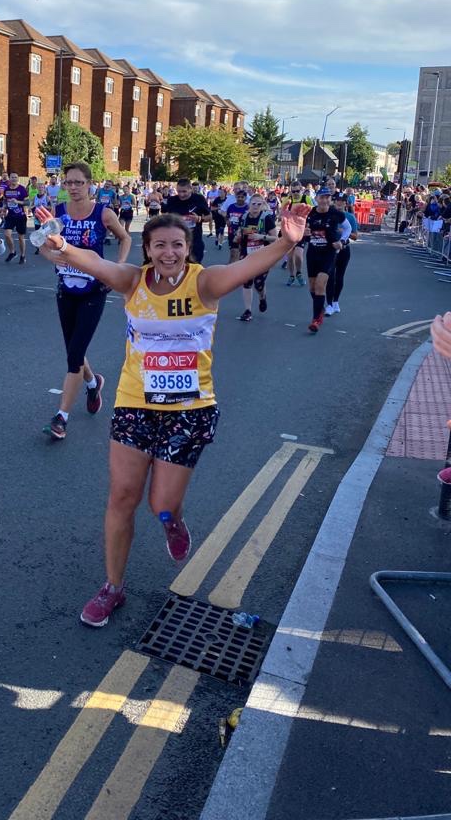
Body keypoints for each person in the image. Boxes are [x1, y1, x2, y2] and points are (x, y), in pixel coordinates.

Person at [37, 204, 310, 626]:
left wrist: (287, 241)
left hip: (190, 409)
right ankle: (112, 587)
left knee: (161, 503)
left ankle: (173, 521)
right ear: (147, 248)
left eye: (177, 245)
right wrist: (65, 247)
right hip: (134, 403)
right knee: (122, 497)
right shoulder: (134, 282)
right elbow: (96, 261)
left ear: (189, 248)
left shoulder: (206, 283)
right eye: (160, 244)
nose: (169, 252)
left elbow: (250, 263)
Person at [37, 162, 132, 440]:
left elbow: (125, 239)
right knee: (72, 350)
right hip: (65, 289)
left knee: (75, 354)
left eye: (79, 182)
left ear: (90, 184)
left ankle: (61, 418)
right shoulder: (59, 212)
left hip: (94, 291)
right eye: (69, 183)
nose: (74, 188)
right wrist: (48, 255)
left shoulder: (103, 213)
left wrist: (116, 270)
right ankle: (92, 383)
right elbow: (43, 242)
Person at [303, 188, 347, 333]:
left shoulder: (336, 214)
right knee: (312, 287)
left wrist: (341, 242)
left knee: (321, 284)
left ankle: (316, 319)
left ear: (330, 199)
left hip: (328, 253)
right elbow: (301, 229)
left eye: (327, 198)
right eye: (322, 197)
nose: (324, 200)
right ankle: (319, 307)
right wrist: (304, 232)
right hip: (313, 253)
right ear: (317, 199)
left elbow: (348, 228)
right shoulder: (310, 213)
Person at [236, 195, 279, 321]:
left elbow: (276, 238)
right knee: (247, 281)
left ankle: (262, 297)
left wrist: (261, 237)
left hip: (263, 254)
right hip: (247, 253)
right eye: (253, 204)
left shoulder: (266, 219)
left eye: (258, 204)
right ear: (249, 204)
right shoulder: (244, 217)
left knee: (259, 284)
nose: (255, 207)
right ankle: (248, 310)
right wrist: (238, 235)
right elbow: (240, 233)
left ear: (262, 205)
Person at [162, 178, 211, 264]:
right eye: (179, 191)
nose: (181, 194)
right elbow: (165, 217)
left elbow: (209, 216)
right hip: (176, 242)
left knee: (194, 268)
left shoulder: (199, 199)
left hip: (194, 241)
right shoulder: (172, 200)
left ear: (190, 189)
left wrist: (199, 219)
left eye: (184, 191)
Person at [325, 192, 358, 315]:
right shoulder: (330, 214)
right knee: (330, 275)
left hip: (344, 249)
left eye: (342, 201)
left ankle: (335, 301)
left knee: (339, 276)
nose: (339, 203)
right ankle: (328, 303)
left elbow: (355, 236)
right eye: (337, 201)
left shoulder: (349, 217)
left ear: (345, 203)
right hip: (331, 248)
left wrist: (344, 232)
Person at [283, 181, 312, 285]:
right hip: (290, 231)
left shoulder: (306, 199)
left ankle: (298, 272)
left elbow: (312, 214)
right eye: (293, 191)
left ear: (301, 190)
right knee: (290, 257)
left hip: (301, 231)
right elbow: (283, 213)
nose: (295, 193)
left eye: (297, 191)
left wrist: (308, 226)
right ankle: (291, 275)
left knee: (298, 255)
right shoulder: (288, 200)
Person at [0, 171, 29, 264]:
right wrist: (4, 208)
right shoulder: (7, 190)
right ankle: (13, 252)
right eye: (12, 177)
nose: (14, 179)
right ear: (9, 178)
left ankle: (23, 255)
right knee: (7, 235)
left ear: (18, 179)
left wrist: (18, 202)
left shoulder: (22, 189)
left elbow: (27, 203)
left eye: (15, 177)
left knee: (21, 237)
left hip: (20, 216)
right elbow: (5, 201)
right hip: (10, 216)